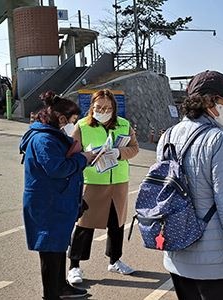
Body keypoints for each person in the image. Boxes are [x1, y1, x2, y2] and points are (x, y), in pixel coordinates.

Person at [157, 70, 223, 299]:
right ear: (210, 102)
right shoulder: (217, 139)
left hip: (176, 252)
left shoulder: (168, 136)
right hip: (214, 262)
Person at [20, 93, 94, 299]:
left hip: (57, 200)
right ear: (61, 119)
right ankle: (51, 294)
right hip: (47, 204)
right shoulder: (43, 139)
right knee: (50, 252)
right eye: (72, 121)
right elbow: (57, 168)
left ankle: (61, 286)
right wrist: (83, 159)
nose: (73, 125)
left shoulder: (53, 135)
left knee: (59, 246)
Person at [66, 89, 140, 284]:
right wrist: (88, 156)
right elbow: (72, 152)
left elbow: (134, 148)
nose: (102, 110)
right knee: (84, 225)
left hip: (118, 183)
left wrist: (118, 152)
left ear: (113, 109)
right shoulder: (82, 126)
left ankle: (115, 260)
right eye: (98, 107)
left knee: (117, 224)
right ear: (92, 107)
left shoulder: (124, 125)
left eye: (107, 108)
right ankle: (74, 266)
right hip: (93, 182)